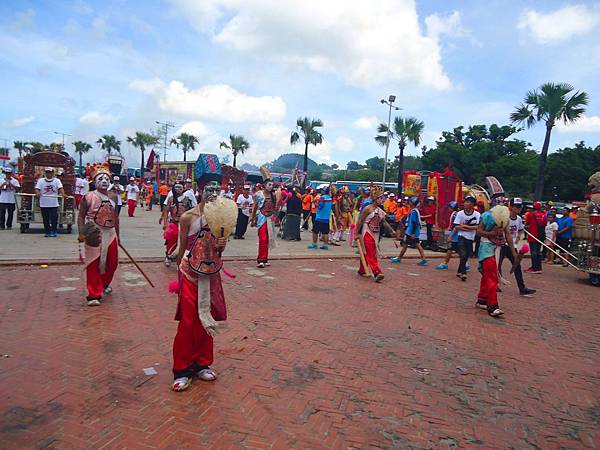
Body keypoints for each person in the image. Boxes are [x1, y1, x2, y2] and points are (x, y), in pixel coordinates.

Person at [172, 180, 227, 391]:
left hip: (211, 273)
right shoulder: (187, 218)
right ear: (200, 191)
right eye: (209, 189)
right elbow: (181, 248)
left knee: (207, 316)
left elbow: (220, 248)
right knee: (188, 319)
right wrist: (179, 277)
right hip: (189, 272)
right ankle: (182, 369)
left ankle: (202, 363)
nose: (213, 193)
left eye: (217, 190)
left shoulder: (221, 218)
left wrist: (222, 244)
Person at [77, 163, 120, 307]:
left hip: (111, 233)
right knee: (93, 263)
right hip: (94, 232)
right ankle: (94, 294)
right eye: (100, 179)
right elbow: (81, 216)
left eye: (106, 179)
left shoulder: (114, 196)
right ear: (94, 182)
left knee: (112, 263)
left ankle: (104, 283)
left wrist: (119, 237)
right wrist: (81, 232)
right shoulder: (88, 197)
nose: (104, 181)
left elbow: (116, 217)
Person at [475, 206, 516, 317]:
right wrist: (492, 234)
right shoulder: (487, 216)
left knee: (487, 276)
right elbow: (478, 231)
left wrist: (513, 252)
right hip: (486, 248)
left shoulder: (505, 218)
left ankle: (482, 299)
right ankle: (493, 306)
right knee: (492, 277)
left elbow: (508, 234)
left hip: (497, 249)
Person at [498, 198, 536, 297]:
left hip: (512, 245)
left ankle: (522, 288)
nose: (518, 208)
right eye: (516, 206)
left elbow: (520, 229)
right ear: (510, 206)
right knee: (497, 265)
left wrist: (519, 236)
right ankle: (496, 284)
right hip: (502, 244)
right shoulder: (504, 217)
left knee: (517, 265)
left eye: (520, 206)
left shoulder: (519, 219)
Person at [356, 187, 393, 282]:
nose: (382, 200)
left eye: (382, 198)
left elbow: (384, 222)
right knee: (371, 251)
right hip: (366, 231)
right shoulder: (367, 208)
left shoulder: (379, 210)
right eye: (380, 198)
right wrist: (356, 233)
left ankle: (362, 269)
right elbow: (360, 221)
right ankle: (377, 272)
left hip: (375, 232)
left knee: (367, 251)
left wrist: (391, 230)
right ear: (375, 198)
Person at [250, 167, 279, 268]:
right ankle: (260, 259)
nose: (271, 186)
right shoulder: (259, 194)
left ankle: (265, 258)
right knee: (262, 238)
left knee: (268, 239)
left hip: (270, 219)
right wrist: (252, 218)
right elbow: (255, 206)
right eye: (269, 184)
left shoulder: (273, 196)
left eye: (272, 185)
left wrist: (275, 217)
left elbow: (275, 207)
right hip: (262, 217)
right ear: (264, 185)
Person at [390, 197, 428, 265]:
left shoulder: (413, 212)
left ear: (412, 203)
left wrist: (412, 233)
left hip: (411, 232)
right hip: (411, 232)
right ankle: (399, 258)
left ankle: (399, 258)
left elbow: (414, 223)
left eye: (410, 202)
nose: (408, 203)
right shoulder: (414, 210)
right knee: (408, 244)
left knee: (413, 245)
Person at [160, 182, 189, 266]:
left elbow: (190, 211)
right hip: (173, 223)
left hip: (183, 224)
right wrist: (165, 223)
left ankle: (178, 257)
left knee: (183, 241)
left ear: (183, 189)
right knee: (171, 239)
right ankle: (168, 256)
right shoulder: (170, 199)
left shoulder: (186, 199)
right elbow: (166, 211)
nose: (178, 189)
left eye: (180, 187)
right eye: (176, 187)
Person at [454, 196, 480, 281]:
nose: (466, 204)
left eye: (468, 202)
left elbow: (478, 227)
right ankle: (463, 273)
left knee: (465, 256)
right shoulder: (460, 213)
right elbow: (457, 226)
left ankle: (459, 271)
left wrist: (465, 226)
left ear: (473, 204)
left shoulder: (477, 214)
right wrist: (467, 228)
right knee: (463, 254)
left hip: (471, 238)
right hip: (461, 236)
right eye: (465, 202)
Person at [35, 167, 64, 237]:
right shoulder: (41, 180)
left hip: (53, 203)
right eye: (47, 172)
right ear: (45, 173)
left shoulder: (57, 181)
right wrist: (37, 193)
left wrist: (63, 194)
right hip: (44, 203)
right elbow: (37, 188)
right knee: (45, 219)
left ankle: (54, 231)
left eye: (50, 172)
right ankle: (47, 231)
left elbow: (60, 188)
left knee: (54, 218)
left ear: (53, 173)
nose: (48, 174)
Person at [436, 201, 460, 270]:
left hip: (455, 236)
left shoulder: (455, 215)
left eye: (449, 207)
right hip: (456, 235)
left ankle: (445, 263)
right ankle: (466, 264)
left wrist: (451, 236)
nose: (448, 209)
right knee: (458, 250)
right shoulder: (456, 214)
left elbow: (455, 226)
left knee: (450, 250)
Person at [525, 201, 546, 274]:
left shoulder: (530, 214)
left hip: (532, 235)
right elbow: (544, 224)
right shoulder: (544, 214)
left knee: (533, 252)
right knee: (538, 252)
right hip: (540, 236)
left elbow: (527, 224)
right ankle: (538, 267)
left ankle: (535, 268)